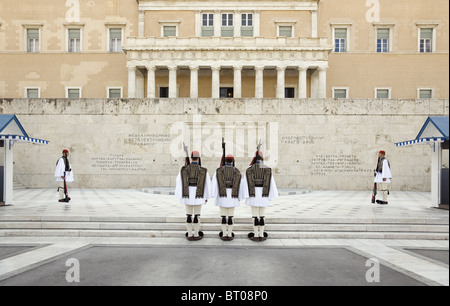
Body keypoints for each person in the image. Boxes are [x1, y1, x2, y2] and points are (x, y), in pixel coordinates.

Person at [241, 151, 278, 242]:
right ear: (262, 158)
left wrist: (245, 195)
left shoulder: (249, 169)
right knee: (262, 216)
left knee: (254, 216)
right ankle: (261, 234)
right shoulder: (268, 169)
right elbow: (271, 184)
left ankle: (256, 234)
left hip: (253, 194)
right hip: (263, 194)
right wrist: (271, 195)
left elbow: (245, 184)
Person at [175, 150, 211, 241]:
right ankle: (196, 234)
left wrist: (180, 195)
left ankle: (190, 234)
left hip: (187, 195)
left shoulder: (184, 169)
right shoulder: (203, 170)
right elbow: (207, 184)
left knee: (188, 215)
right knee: (197, 215)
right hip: (199, 194)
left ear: (191, 158)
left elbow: (179, 182)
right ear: (198, 158)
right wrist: (206, 197)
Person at [212, 154, 243, 241]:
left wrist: (214, 195)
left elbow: (214, 184)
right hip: (233, 196)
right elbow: (240, 185)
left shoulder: (218, 171)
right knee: (230, 217)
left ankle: (224, 233)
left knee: (223, 216)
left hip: (222, 195)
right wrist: (239, 197)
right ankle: (229, 234)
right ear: (232, 161)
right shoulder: (237, 171)